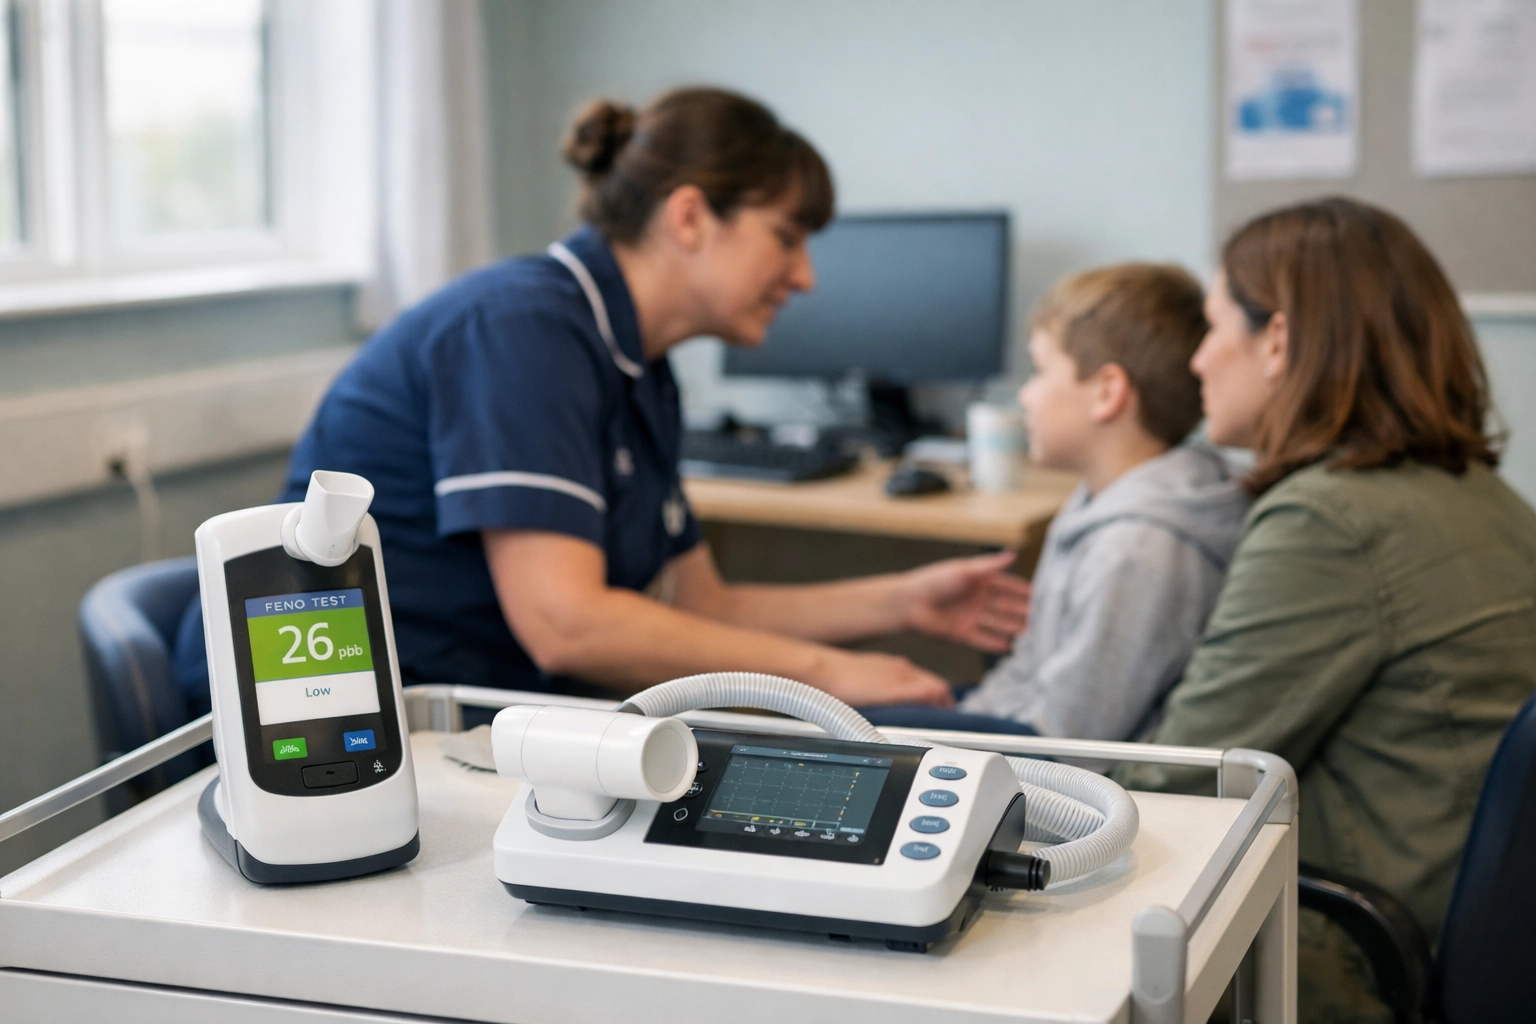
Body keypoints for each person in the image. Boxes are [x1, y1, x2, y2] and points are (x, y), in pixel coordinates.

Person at [174, 87, 1030, 715]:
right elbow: (566, 624)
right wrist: (826, 674)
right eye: (787, 238)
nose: (804, 276)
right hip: (328, 719)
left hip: (480, 700)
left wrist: (903, 601)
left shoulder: (637, 363)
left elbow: (701, 605)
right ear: (690, 217)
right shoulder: (525, 330)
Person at [1115, 197, 1536, 1021]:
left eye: (1210, 328)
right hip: (1464, 931)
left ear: (1276, 341)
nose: (1197, 361)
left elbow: (1183, 778)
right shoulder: (1488, 497)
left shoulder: (1330, 518)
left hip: (1360, 953)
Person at [866, 264, 1250, 737]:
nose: (1025, 395)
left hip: (1060, 766)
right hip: (1029, 722)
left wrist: (957, 733)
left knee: (848, 736)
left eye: (1040, 371)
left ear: (1107, 393)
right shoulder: (1100, 496)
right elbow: (1033, 665)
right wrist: (970, 712)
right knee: (848, 722)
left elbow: (1074, 734)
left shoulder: (1140, 546)